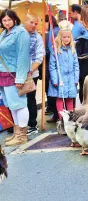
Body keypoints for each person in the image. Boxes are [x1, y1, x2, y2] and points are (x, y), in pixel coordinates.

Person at [0, 9, 30, 146]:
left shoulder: (21, 32)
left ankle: (22, 135)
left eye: (8, 20)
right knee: (12, 105)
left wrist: (20, 78)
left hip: (15, 74)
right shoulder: (5, 33)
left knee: (19, 104)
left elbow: (23, 56)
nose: (6, 22)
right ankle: (17, 133)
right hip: (5, 73)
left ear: (14, 19)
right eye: (4, 20)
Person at [48, 21, 79, 134]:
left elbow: (76, 65)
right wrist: (55, 79)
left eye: (68, 37)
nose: (66, 39)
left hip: (70, 78)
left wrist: (76, 78)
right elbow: (52, 66)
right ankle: (62, 120)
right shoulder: (56, 50)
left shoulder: (72, 49)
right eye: (64, 37)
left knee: (70, 98)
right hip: (60, 78)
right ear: (60, 37)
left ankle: (70, 119)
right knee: (60, 98)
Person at [23, 14, 45, 135]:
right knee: (17, 99)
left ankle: (32, 124)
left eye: (36, 23)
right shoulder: (18, 33)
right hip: (14, 72)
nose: (34, 25)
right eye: (31, 22)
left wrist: (28, 72)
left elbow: (39, 57)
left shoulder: (38, 37)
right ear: (25, 21)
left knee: (30, 99)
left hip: (31, 73)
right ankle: (19, 125)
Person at [44, 15, 60, 123]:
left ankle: (55, 113)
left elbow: (50, 49)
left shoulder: (52, 32)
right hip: (58, 63)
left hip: (52, 63)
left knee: (52, 89)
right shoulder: (56, 30)